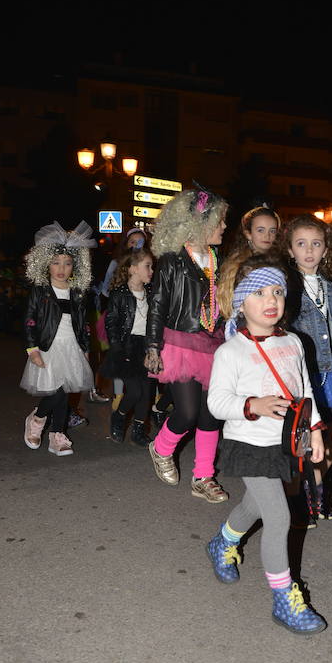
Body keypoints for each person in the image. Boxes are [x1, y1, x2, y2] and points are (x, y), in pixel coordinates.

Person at [206, 256, 326, 633]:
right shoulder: (230, 352)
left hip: (285, 444)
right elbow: (216, 402)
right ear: (241, 302)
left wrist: (317, 430)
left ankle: (222, 543)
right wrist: (252, 405)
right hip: (248, 443)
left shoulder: (293, 341)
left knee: (254, 506)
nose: (271, 300)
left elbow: (304, 390)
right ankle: (284, 599)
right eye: (259, 292)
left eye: (277, 291)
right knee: (279, 517)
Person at [145, 185, 229, 503]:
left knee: (211, 414)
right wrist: (152, 347)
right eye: (219, 220)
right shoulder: (173, 260)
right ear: (201, 223)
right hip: (179, 343)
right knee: (189, 411)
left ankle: (203, 477)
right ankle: (162, 447)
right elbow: (157, 305)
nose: (223, 226)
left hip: (212, 344)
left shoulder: (217, 260)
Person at [281, 214, 332, 525]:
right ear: (290, 250)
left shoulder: (329, 285)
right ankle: (310, 494)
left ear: (326, 249)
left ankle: (310, 485)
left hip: (330, 368)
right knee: (306, 438)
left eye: (316, 244)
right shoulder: (288, 284)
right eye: (301, 244)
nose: (309, 250)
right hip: (304, 371)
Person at [21, 221, 97, 457]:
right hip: (47, 347)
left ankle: (57, 435)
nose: (61, 268)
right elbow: (30, 320)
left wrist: (85, 348)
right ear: (46, 264)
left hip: (71, 347)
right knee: (56, 392)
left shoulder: (77, 292)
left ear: (75, 266)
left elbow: (83, 324)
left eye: (67, 263)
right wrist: (31, 349)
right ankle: (37, 419)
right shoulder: (40, 290)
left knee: (64, 392)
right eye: (56, 262)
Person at [102, 247, 154, 447]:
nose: (151, 271)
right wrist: (117, 349)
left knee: (146, 391)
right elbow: (112, 323)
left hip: (146, 347)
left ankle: (139, 430)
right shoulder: (120, 294)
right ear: (133, 269)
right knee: (134, 391)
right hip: (126, 346)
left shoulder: (151, 292)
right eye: (147, 266)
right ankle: (119, 415)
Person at [100, 227, 149, 408]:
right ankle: (119, 395)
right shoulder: (117, 263)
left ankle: (151, 397)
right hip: (122, 315)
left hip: (141, 317)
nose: (136, 245)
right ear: (126, 244)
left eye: (140, 242)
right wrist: (120, 293)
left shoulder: (148, 264)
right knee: (121, 356)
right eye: (132, 242)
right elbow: (106, 289)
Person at [217, 204, 282, 324]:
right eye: (260, 230)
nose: (267, 236)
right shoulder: (236, 264)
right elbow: (226, 304)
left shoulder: (281, 262)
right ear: (248, 233)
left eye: (272, 231)